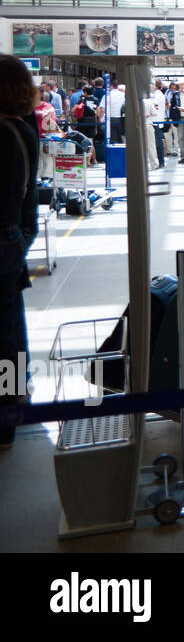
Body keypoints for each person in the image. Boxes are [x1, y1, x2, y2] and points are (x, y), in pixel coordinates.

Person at [0, 54, 39, 450]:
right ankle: (16, 394)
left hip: (2, 236)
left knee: (3, 333)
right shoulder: (24, 127)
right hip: (13, 236)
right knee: (10, 323)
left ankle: (5, 415)